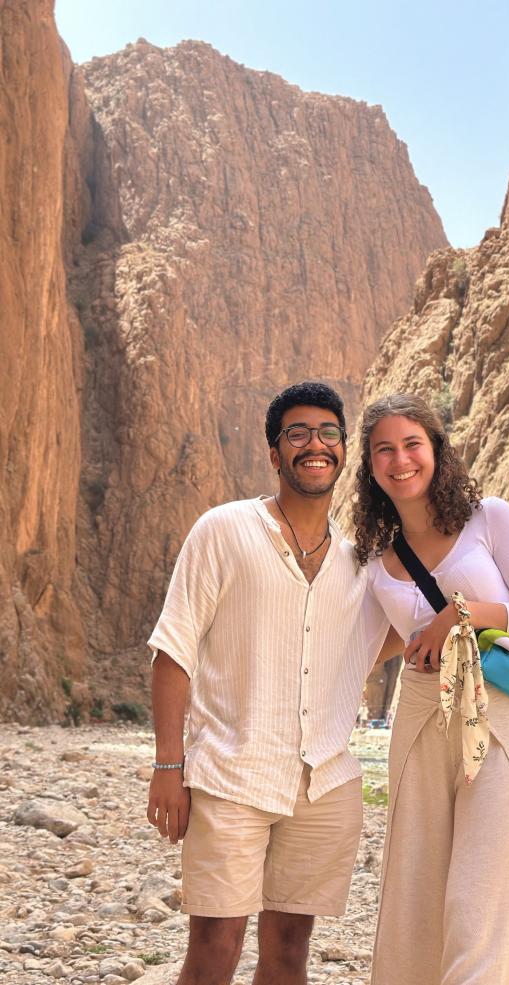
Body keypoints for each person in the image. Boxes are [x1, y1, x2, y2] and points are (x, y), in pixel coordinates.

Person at [146, 381, 390, 985]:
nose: (316, 444)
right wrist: (168, 767)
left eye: (329, 433)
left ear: (343, 449)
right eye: (298, 433)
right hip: (232, 774)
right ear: (275, 452)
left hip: (325, 783)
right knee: (215, 945)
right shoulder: (223, 530)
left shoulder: (360, 563)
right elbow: (172, 651)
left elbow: (377, 644)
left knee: (289, 952)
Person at [353, 393, 509, 985]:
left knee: (478, 908)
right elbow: (372, 649)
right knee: (417, 900)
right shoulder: (374, 561)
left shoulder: (489, 519)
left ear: (436, 451)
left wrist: (463, 613)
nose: (400, 460)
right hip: (421, 721)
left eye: (412, 444)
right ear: (370, 468)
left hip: (501, 717)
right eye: (384, 450)